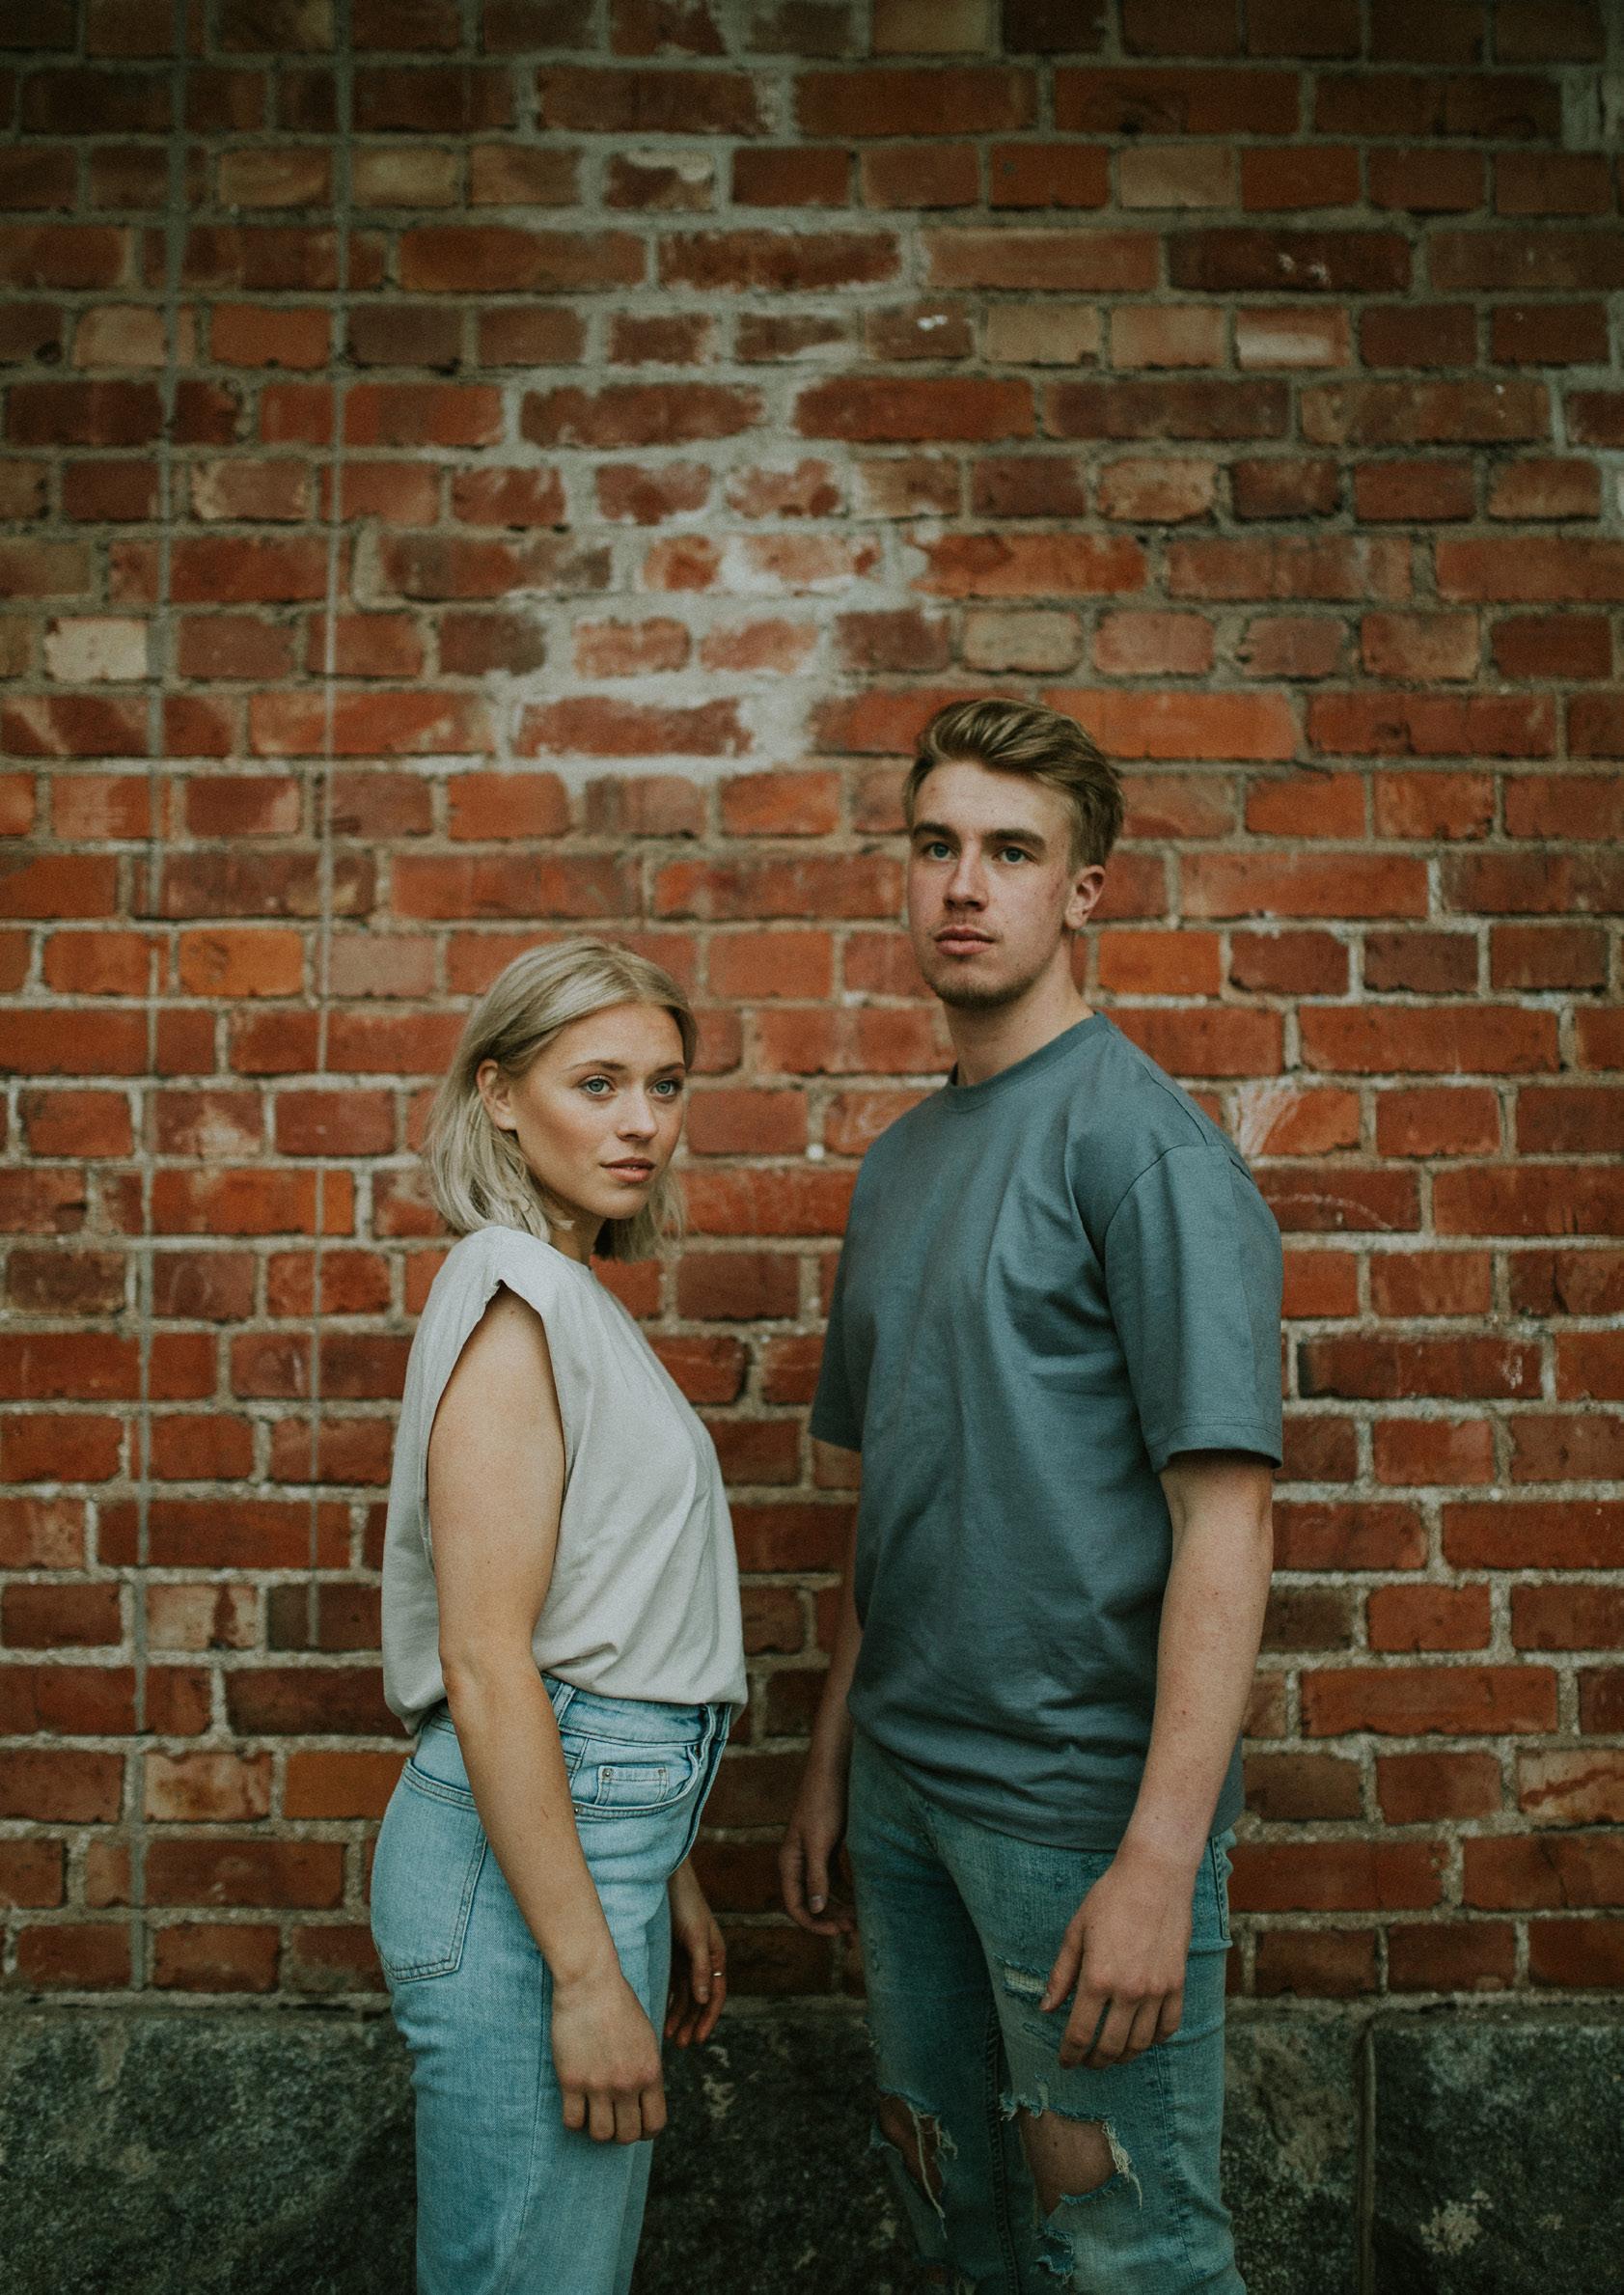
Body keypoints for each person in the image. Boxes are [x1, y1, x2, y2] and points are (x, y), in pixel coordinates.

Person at [781, 698, 1281, 2294]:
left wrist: (1158, 1863)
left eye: (1011, 851)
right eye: (936, 845)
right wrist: (831, 1756)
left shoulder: (1144, 1152)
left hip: (1070, 1818)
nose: (963, 884)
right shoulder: (898, 1164)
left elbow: (1226, 1524)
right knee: (961, 2233)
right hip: (905, 1794)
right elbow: (898, 1495)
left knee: (1133, 2256)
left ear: (1083, 890)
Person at [372, 937, 746, 2295]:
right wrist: (588, 1976)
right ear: (499, 1094)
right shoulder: (514, 1296)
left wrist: (669, 1864)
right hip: (525, 1879)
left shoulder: (562, 1292)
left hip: (590, 1842)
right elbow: (487, 1659)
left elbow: (600, 1616)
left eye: (665, 1084)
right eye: (598, 1083)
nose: (642, 1121)